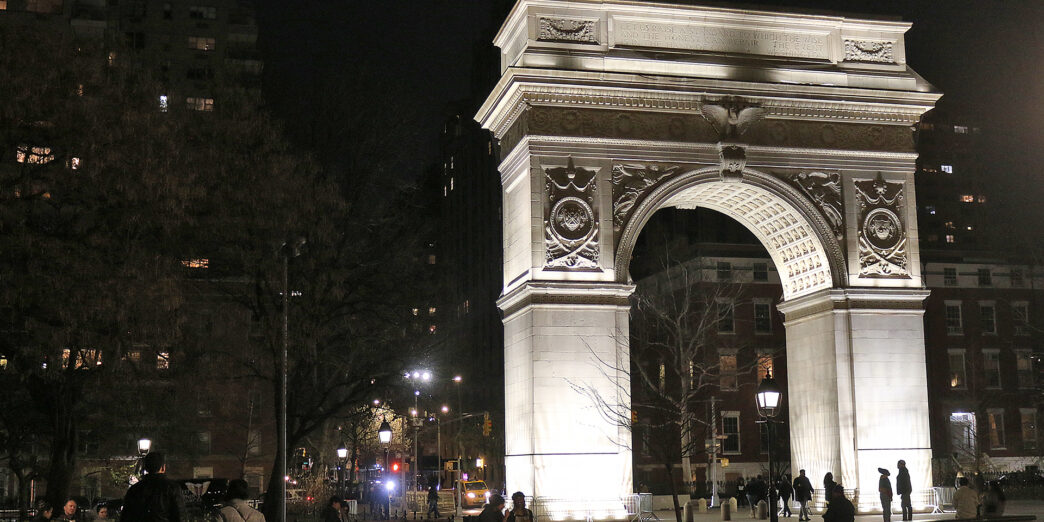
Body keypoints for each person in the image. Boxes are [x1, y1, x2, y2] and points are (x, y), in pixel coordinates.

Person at [122, 451, 186, 522]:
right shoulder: (172, 488)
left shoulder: (134, 489)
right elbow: (179, 515)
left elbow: (126, 516)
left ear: (146, 467)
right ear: (162, 468)